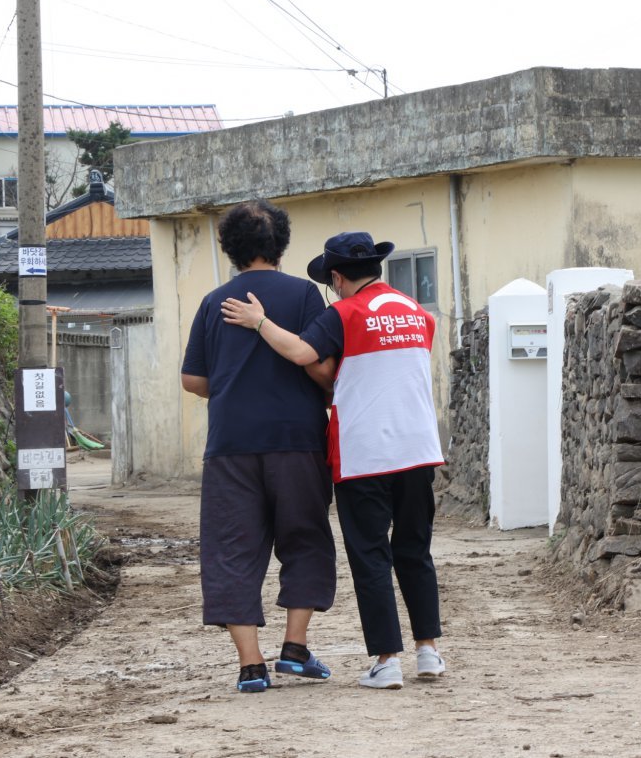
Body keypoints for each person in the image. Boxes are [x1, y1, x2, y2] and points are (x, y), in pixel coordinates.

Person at [221, 231, 447, 691]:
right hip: (419, 448)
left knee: (370, 557)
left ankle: (387, 661)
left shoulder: (342, 313)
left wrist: (260, 322)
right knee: (415, 551)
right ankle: (429, 652)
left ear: (338, 277)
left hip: (365, 454)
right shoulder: (417, 314)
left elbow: (305, 354)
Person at [180, 200, 337, 693]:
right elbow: (323, 368)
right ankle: (294, 648)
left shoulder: (214, 301)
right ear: (282, 244)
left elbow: (193, 380)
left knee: (231, 551)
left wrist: (231, 385)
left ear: (229, 247)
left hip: (230, 445)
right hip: (297, 441)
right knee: (305, 539)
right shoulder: (306, 295)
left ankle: (251, 666)